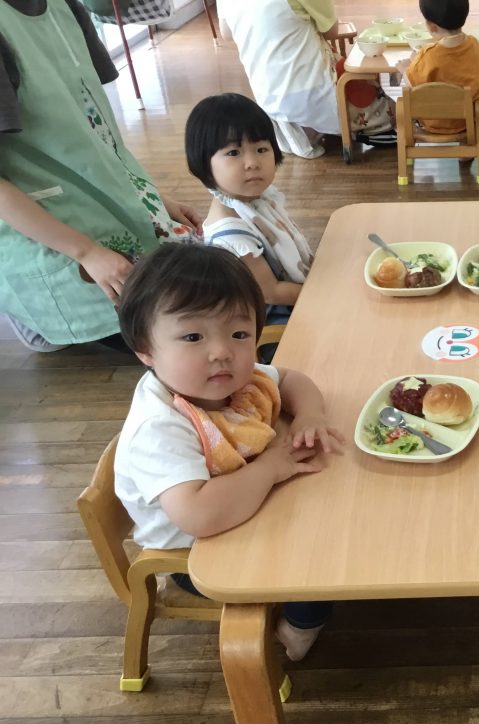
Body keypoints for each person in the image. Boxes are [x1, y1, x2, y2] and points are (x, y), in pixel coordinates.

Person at [113, 243, 343, 661]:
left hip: (247, 504)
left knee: (334, 512)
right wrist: (271, 467)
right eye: (193, 337)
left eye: (239, 334)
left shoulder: (235, 380)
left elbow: (291, 379)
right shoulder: (160, 429)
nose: (222, 351)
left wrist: (310, 414)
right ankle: (298, 629)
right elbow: (200, 515)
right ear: (145, 349)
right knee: (315, 558)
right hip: (199, 552)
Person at [0, 0, 200, 353]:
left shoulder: (65, 7)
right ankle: (34, 313)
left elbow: (95, 132)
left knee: (207, 293)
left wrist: (154, 198)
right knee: (175, 330)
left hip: (101, 202)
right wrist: (87, 252)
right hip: (43, 226)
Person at [186, 93, 312, 331]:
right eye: (234, 153)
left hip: (297, 300)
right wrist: (325, 294)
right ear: (203, 163)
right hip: (276, 326)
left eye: (262, 149)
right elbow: (272, 293)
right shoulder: (231, 235)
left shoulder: (256, 200)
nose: (253, 162)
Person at [217, 0, 395, 159]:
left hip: (266, 94)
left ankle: (303, 127)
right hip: (311, 91)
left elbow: (226, 33)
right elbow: (331, 31)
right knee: (389, 112)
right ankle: (322, 126)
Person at [396, 0, 479, 135]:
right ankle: (467, 148)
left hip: (431, 121)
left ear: (432, 27)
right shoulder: (476, 46)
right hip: (466, 121)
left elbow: (413, 85)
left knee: (403, 102)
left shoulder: (428, 55)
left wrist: (404, 69)